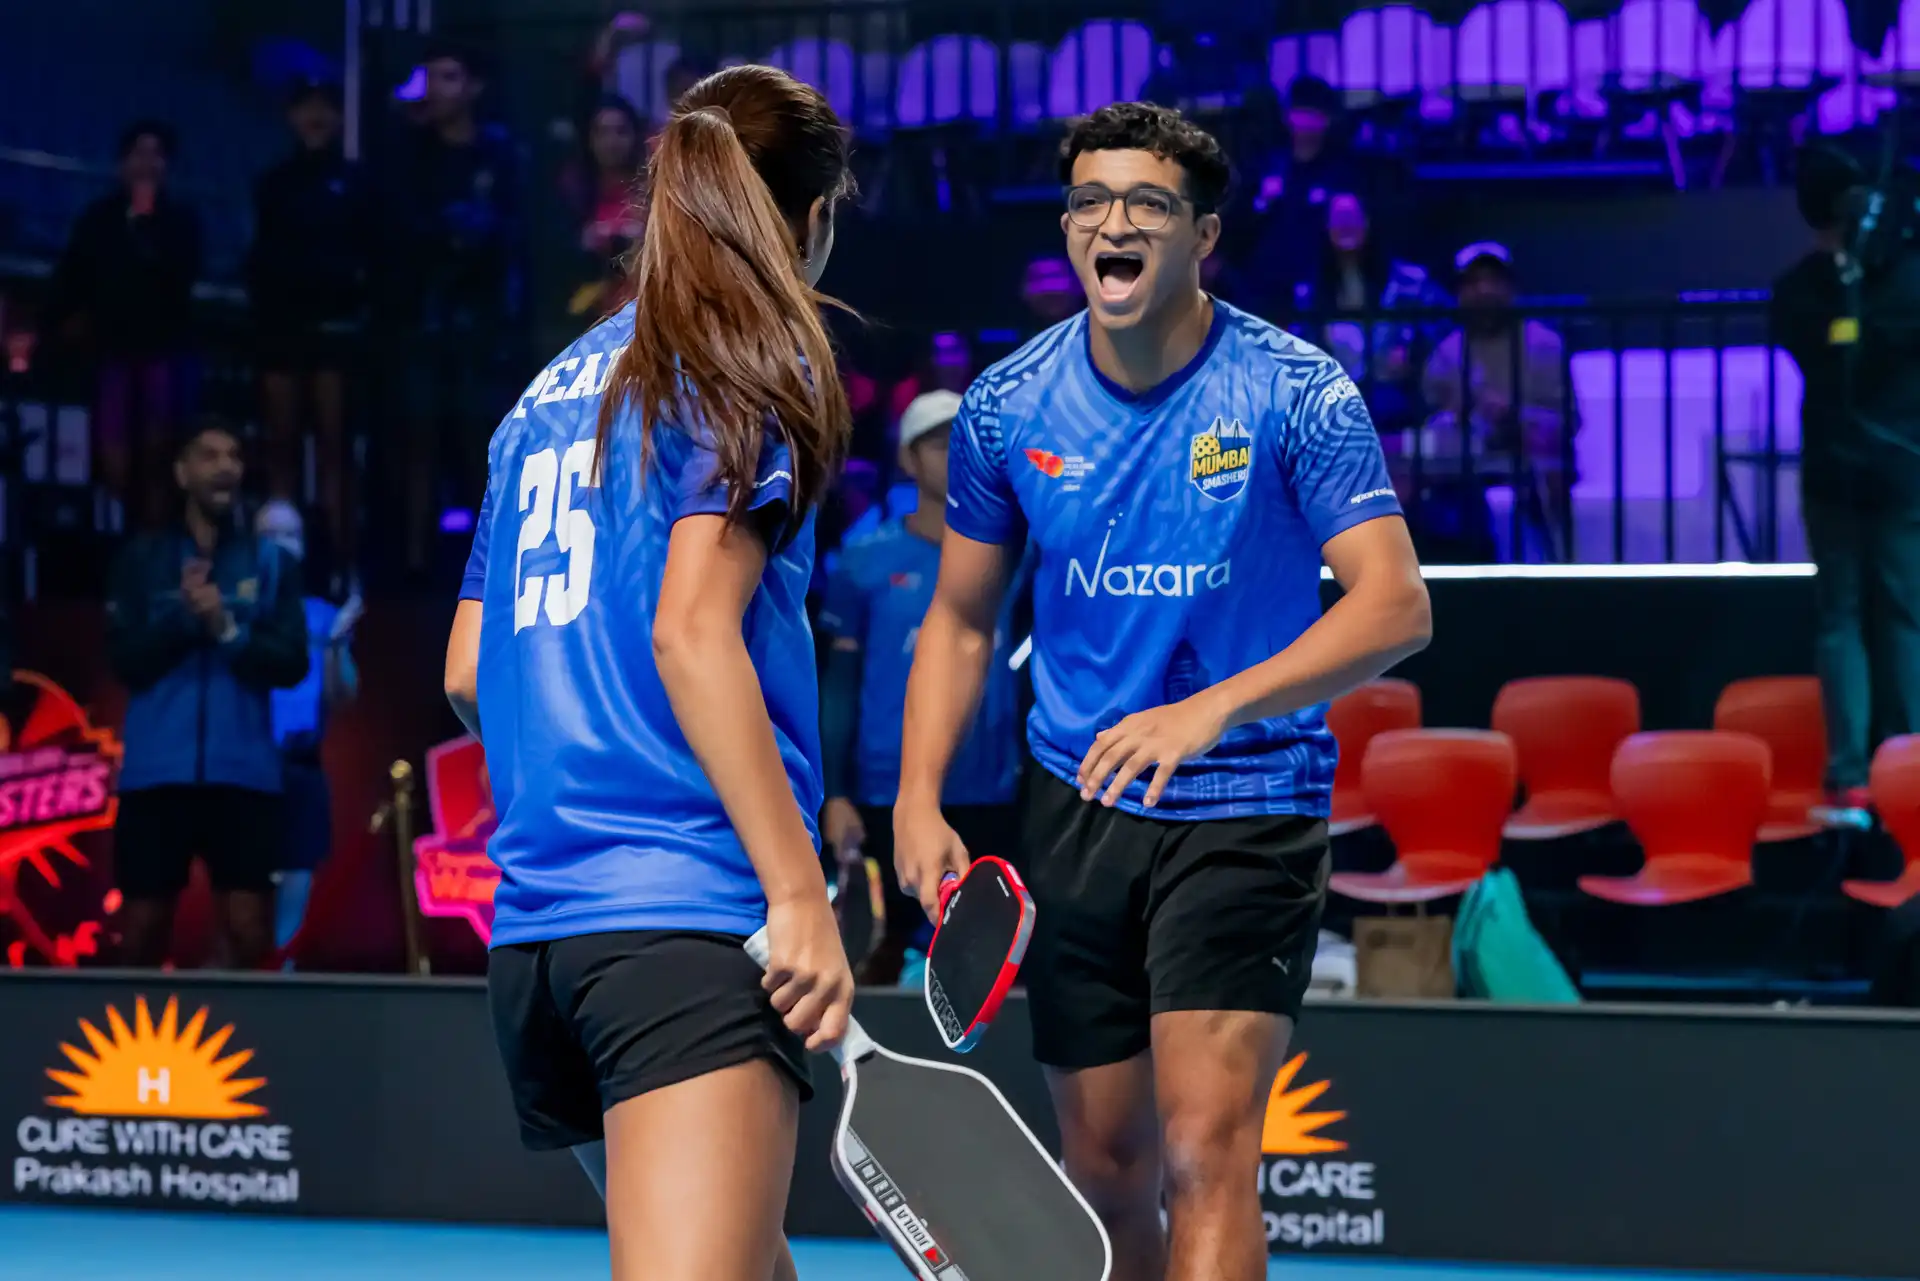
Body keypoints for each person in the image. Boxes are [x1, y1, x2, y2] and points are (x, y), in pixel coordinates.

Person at [893, 103, 1430, 1281]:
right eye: (1090, 203)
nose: (1114, 225)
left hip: (1248, 797)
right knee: (1106, 1169)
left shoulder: (1295, 392)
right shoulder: (1008, 405)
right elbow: (963, 620)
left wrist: (1215, 707)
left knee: (1204, 1151)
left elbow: (1395, 605)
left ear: (1204, 236)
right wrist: (917, 798)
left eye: (1147, 204)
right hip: (1077, 802)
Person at [441, 66, 855, 1281]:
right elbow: (690, 631)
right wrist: (798, 895)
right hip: (685, 929)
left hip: (539, 949)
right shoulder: (750, 364)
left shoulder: (542, 398)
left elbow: (468, 672)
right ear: (813, 218)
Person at [818, 390, 1024, 985]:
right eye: (937, 442)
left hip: (992, 792)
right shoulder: (864, 561)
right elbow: (839, 684)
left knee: (987, 973)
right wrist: (835, 793)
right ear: (907, 459)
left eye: (964, 439)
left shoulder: (1017, 554)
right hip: (886, 792)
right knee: (878, 965)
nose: (954, 452)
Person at [105, 420, 310, 969]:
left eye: (234, 456)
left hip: (244, 775)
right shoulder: (141, 560)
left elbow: (292, 663)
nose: (225, 467)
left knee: (248, 933)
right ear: (181, 473)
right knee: (141, 931)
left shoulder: (273, 563)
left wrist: (225, 628)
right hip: (156, 775)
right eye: (209, 455)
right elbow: (124, 661)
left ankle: (236, 1029)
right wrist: (184, 621)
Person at [1771, 143, 1920, 808]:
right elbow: (1829, 354)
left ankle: (1899, 764)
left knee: (1892, 616)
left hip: (1891, 475)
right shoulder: (1806, 289)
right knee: (1857, 617)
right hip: (1843, 476)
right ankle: (1858, 771)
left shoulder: (1899, 279)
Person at [387, 43, 525, 575]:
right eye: (430, 78)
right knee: (418, 441)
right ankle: (413, 566)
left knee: (480, 443)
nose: (436, 90)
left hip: (482, 322)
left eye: (448, 77)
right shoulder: (411, 153)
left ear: (473, 86)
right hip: (425, 316)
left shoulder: (500, 154)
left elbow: (514, 232)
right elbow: (400, 228)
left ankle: (487, 568)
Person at [47, 120, 202, 530]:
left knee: (158, 455)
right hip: (112, 353)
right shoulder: (98, 219)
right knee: (116, 458)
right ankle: (127, 539)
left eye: (156, 155)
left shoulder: (181, 221)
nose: (146, 163)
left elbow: (182, 279)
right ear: (122, 163)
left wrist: (148, 233)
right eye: (138, 153)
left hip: (163, 351)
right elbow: (72, 278)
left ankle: (155, 544)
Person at [249, 80, 374, 587]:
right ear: (291, 116)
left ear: (339, 117)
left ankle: (340, 561)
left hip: (336, 334)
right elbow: (261, 254)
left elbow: (371, 256)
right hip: (281, 329)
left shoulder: (356, 183)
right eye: (306, 108)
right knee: (279, 444)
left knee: (334, 447)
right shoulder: (273, 183)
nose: (315, 117)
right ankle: (278, 563)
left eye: (325, 108)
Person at [1415, 243, 1573, 562]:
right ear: (1459, 293)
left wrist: (1511, 414)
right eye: (1474, 283)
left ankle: (1546, 573)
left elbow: (1567, 421)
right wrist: (1456, 413)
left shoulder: (1544, 344)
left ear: (1511, 288)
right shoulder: (1446, 351)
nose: (1484, 291)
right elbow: (1433, 419)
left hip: (1526, 460)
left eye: (1493, 281)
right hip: (1462, 463)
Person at [255, 502, 361, 961]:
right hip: (248, 771)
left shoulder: (321, 615)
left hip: (301, 766)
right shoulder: (240, 609)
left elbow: (343, 696)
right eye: (270, 535)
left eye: (291, 535)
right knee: (244, 898)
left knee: (297, 883)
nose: (282, 545)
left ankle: (283, 974)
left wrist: (336, 641)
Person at [1300, 191, 1446, 433]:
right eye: (1339, 219)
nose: (1346, 226)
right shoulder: (1309, 294)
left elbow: (1443, 327)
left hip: (1397, 397)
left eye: (1352, 218)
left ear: (1367, 223)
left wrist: (1412, 353)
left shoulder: (1409, 282)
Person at [561, 93, 648, 322]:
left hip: (643, 310)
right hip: (587, 314)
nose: (612, 142)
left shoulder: (652, 187)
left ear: (635, 135)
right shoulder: (572, 188)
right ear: (589, 139)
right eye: (602, 132)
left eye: (621, 131)